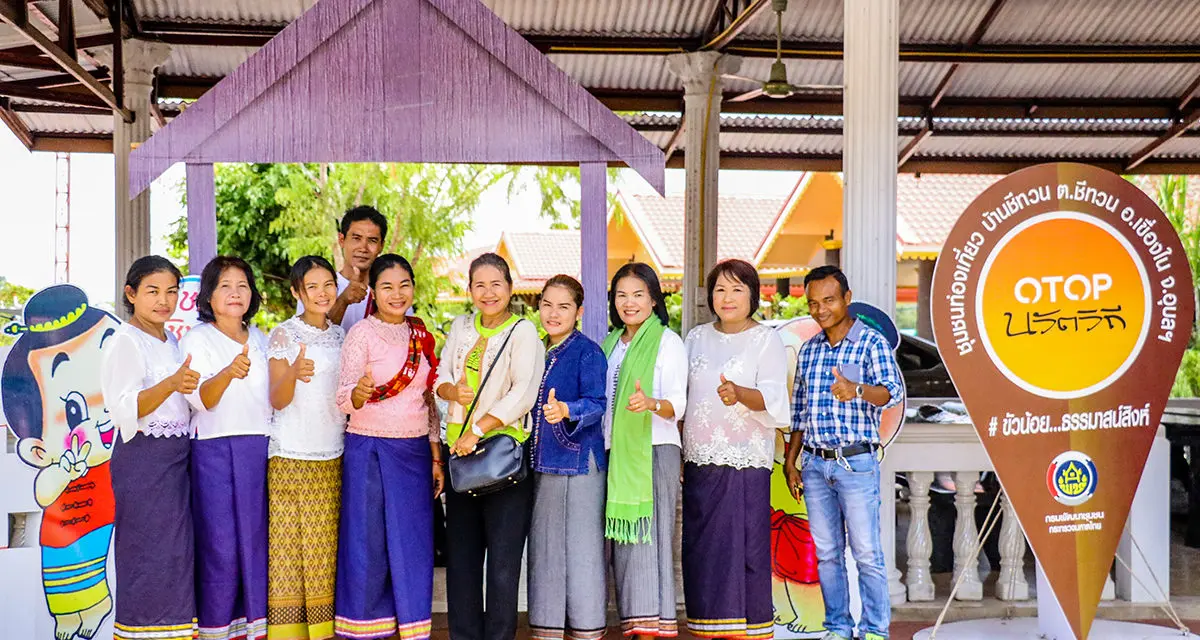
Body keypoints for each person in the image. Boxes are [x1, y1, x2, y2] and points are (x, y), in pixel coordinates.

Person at [783, 265, 903, 640]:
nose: (821, 310)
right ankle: (838, 627)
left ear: (847, 299)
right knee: (827, 554)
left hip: (856, 462)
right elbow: (800, 411)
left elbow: (891, 391)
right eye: (814, 303)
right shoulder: (809, 350)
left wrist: (859, 391)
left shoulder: (871, 343)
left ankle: (875, 630)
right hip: (816, 464)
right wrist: (791, 462)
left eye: (829, 300)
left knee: (867, 554)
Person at [435, 252, 544, 640]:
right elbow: (441, 376)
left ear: (510, 288)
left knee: (502, 565)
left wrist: (477, 430)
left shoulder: (523, 332)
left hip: (501, 460)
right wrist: (451, 389)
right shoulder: (460, 327)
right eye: (479, 284)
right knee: (462, 563)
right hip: (461, 461)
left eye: (496, 283)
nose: (488, 292)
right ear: (469, 290)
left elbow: (523, 393)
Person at [334, 253, 443, 640]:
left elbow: (429, 400)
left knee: (412, 542)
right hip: (369, 449)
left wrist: (435, 456)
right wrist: (359, 394)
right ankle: (365, 628)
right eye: (387, 287)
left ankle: (414, 627)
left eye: (404, 285)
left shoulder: (420, 331)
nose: (397, 294)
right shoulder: (362, 333)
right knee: (368, 543)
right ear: (374, 293)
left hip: (414, 452)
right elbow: (342, 398)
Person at [681, 259, 790, 640]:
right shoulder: (694, 337)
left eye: (737, 289)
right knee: (703, 553)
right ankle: (706, 628)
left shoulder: (766, 340)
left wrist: (739, 393)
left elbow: (777, 402)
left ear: (753, 296)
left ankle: (748, 631)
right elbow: (681, 398)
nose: (727, 298)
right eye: (720, 290)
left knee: (744, 553)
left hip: (744, 464)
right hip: (698, 463)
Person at [100, 256, 198, 640]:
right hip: (143, 461)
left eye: (171, 291)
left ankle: (174, 631)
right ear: (131, 293)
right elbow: (125, 408)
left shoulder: (169, 338)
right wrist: (173, 383)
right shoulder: (124, 340)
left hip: (176, 458)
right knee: (147, 556)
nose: (164, 300)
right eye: (153, 291)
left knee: (175, 556)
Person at [180, 256, 271, 640]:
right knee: (220, 546)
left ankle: (256, 628)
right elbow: (200, 398)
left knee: (256, 544)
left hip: (261, 449)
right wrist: (228, 373)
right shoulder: (197, 339)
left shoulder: (263, 339)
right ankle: (218, 628)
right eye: (225, 286)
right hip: (215, 450)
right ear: (209, 295)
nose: (235, 293)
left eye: (243, 285)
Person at [602, 262, 688, 639]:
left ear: (654, 299)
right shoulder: (609, 345)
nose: (629, 302)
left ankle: (656, 626)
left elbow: (677, 404)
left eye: (638, 294)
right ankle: (636, 624)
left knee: (650, 540)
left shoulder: (668, 341)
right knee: (625, 545)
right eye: (622, 295)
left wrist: (651, 403)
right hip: (616, 453)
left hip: (655, 449)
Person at [265, 256, 347, 640]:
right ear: (297, 292)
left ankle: (323, 632)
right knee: (289, 553)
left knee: (324, 554)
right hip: (291, 456)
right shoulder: (284, 335)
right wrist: (294, 375)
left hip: (332, 454)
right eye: (311, 286)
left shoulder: (341, 334)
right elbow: (277, 400)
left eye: (328, 283)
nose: (322, 292)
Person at [526, 275, 609, 640]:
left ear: (579, 311)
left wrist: (567, 410)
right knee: (544, 551)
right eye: (547, 304)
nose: (553, 313)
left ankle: (587, 630)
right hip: (542, 463)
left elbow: (597, 404)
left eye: (564, 306)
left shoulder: (588, 351)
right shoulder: (535, 349)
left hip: (579, 464)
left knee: (583, 553)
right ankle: (547, 630)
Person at [299, 205, 387, 329]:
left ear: (381, 246)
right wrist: (343, 300)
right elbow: (307, 339)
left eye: (372, 240)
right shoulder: (313, 287)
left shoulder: (393, 293)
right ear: (342, 240)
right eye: (356, 238)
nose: (363, 248)